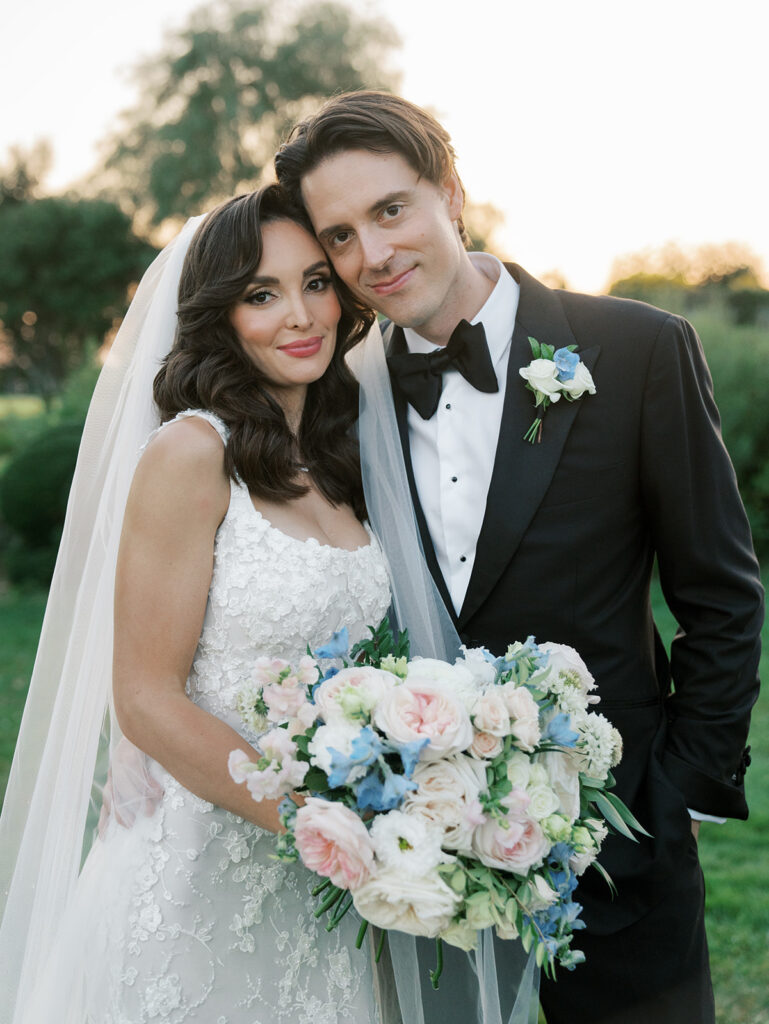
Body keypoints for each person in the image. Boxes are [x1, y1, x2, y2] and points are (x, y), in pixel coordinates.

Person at [274, 90, 764, 1024]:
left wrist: (679, 798)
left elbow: (722, 595)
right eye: (338, 236)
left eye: (391, 209)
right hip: (412, 851)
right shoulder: (337, 391)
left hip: (618, 837)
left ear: (450, 193)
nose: (372, 254)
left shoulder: (636, 350)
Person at [0, 185, 392, 1022]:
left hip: (325, 882)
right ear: (219, 314)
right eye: (261, 294)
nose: (301, 315)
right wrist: (313, 828)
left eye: (316, 282)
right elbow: (144, 698)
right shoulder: (191, 451)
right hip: (200, 872)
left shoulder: (342, 456)